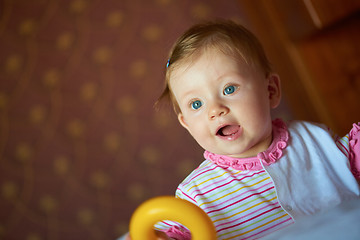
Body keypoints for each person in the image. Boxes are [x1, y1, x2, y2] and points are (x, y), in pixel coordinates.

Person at [125, 20, 360, 240]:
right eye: (196, 104)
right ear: (186, 123)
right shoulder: (195, 195)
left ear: (270, 91)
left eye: (229, 89)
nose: (215, 110)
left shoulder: (313, 139)